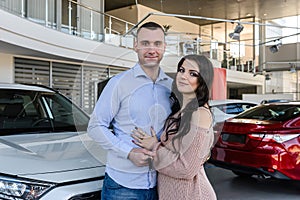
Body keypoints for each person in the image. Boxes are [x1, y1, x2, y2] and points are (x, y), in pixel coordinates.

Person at [87, 22, 172, 200]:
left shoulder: (172, 87)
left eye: (157, 44)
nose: (151, 49)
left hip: (162, 184)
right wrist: (129, 152)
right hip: (122, 185)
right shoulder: (118, 83)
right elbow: (95, 126)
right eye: (145, 43)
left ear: (164, 47)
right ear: (135, 46)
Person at [132, 54, 217, 200]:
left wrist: (154, 146)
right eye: (182, 70)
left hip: (192, 194)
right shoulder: (179, 110)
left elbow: (187, 169)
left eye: (192, 74)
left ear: (203, 81)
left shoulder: (200, 113)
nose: (183, 76)